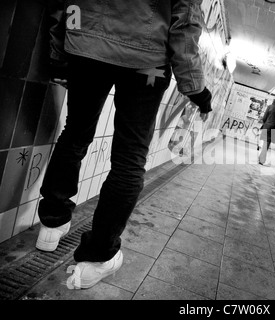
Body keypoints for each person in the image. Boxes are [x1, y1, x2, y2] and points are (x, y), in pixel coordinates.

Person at [36, 0, 212, 289]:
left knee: (75, 134)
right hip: (148, 61)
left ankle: (51, 223)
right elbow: (185, 20)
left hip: (87, 45)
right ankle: (96, 260)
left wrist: (62, 46)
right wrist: (194, 86)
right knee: (129, 160)